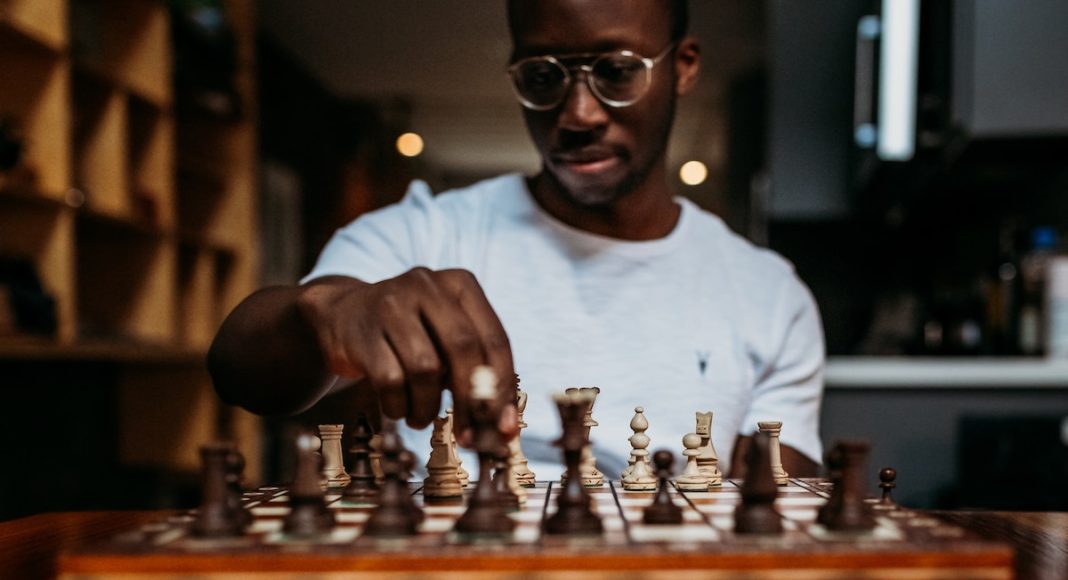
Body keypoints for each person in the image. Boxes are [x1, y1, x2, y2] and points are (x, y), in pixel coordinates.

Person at [209, 0, 823, 478]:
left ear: (683, 66)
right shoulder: (424, 233)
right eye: (542, 75)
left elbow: (780, 508)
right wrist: (329, 312)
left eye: (615, 71)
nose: (579, 113)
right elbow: (241, 370)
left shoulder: (769, 294)